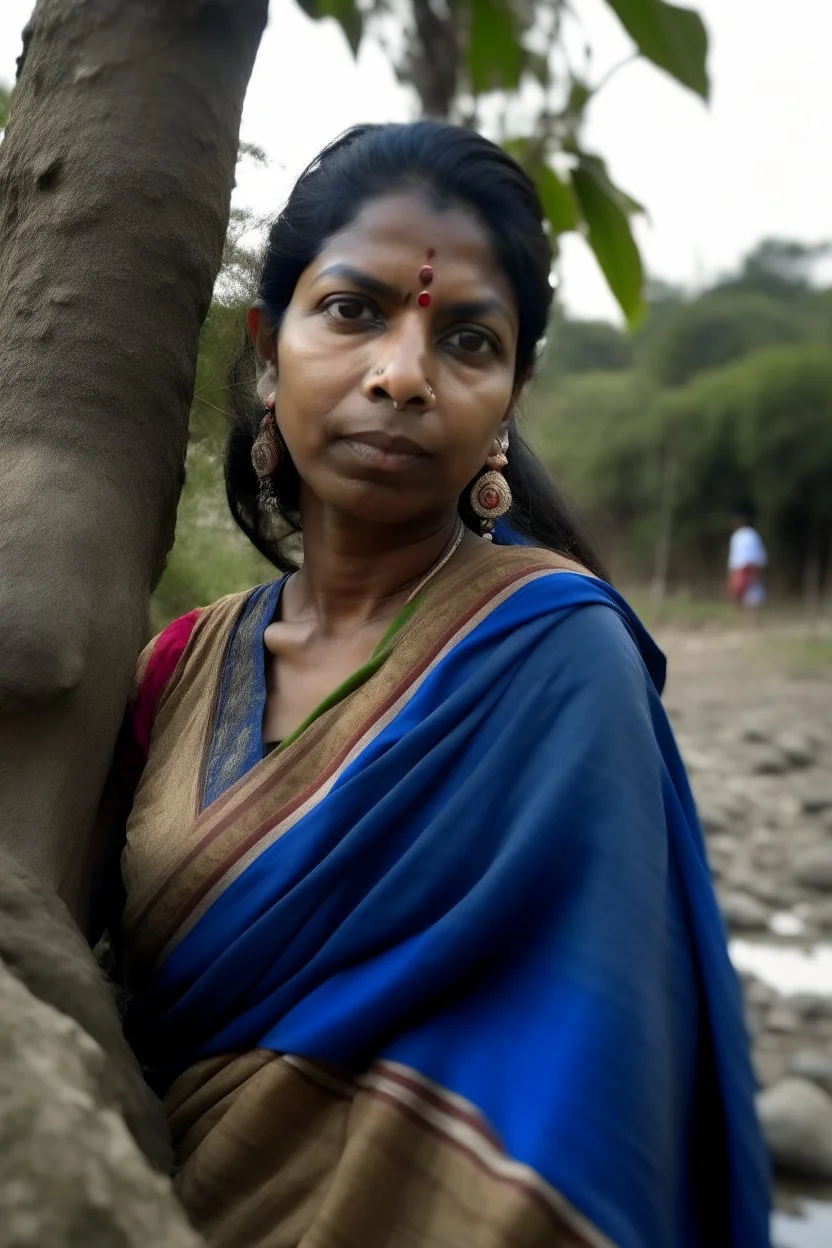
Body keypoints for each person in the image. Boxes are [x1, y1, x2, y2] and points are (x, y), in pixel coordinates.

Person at [108, 123, 770, 1247]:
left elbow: (584, 1087)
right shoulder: (177, 670)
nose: (401, 375)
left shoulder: (556, 661)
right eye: (353, 310)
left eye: (466, 339)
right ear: (270, 347)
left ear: (509, 391)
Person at [728, 505, 768, 620]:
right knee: (741, 595)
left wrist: (756, 569)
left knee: (753, 595)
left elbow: (757, 554)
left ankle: (752, 620)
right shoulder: (736, 536)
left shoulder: (752, 535)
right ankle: (744, 620)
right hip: (740, 569)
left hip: (750, 568)